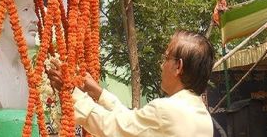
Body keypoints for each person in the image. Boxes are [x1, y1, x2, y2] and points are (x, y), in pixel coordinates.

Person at [48, 30, 215, 136]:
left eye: (166, 58)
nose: (161, 64)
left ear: (178, 66)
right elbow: (131, 122)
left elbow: (115, 127)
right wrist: (100, 94)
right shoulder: (202, 115)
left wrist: (71, 93)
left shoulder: (167, 111)